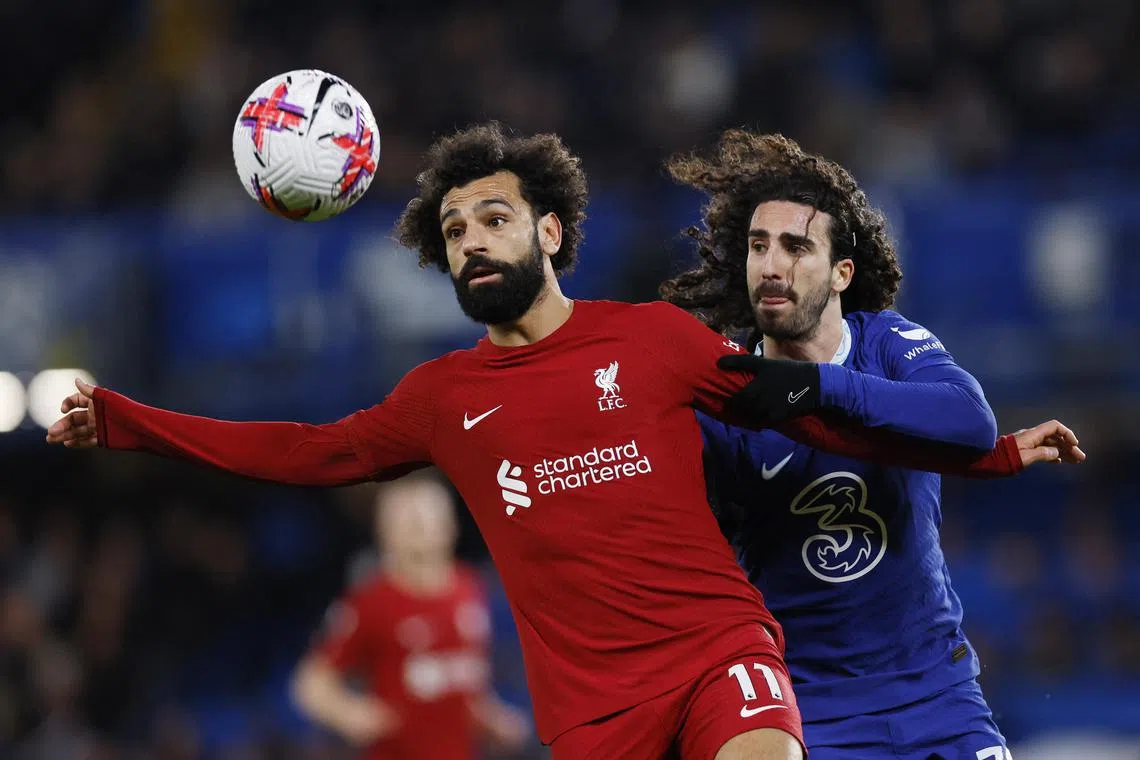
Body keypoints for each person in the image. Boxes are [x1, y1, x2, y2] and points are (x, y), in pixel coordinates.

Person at [47, 122, 1069, 760]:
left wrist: (988, 453)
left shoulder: (659, 342)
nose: (472, 240)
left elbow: (817, 417)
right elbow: (306, 451)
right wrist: (133, 422)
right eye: (453, 231)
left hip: (724, 657)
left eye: (495, 216)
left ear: (551, 233)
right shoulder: (441, 398)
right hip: (590, 715)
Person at [660, 129, 1085, 759]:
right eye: (758, 246)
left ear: (841, 272)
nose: (772, 265)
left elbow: (969, 418)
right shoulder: (725, 392)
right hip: (811, 709)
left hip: (939, 693)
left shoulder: (887, 342)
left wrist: (818, 389)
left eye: (795, 247)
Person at [291, 471, 529, 759]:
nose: (418, 524)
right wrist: (350, 714)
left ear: (450, 524)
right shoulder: (369, 602)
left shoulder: (471, 589)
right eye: (406, 518)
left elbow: (465, 682)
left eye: (426, 515)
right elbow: (310, 683)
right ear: (384, 531)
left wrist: (493, 719)